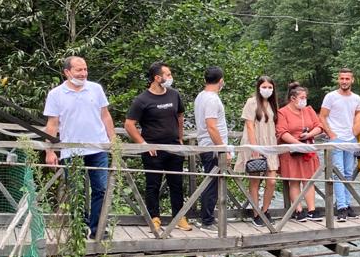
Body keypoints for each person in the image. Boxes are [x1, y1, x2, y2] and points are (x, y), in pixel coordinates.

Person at [43, 56, 115, 238]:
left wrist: (113, 139)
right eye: (79, 70)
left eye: (85, 70)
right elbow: (52, 124)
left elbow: (105, 115)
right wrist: (50, 150)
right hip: (71, 148)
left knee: (101, 188)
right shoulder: (56, 94)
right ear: (67, 72)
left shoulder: (95, 89)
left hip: (97, 147)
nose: (83, 74)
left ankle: (97, 228)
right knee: (75, 190)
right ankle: (79, 226)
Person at [124, 61, 191, 233]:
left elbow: (180, 116)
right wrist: (143, 144)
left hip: (174, 148)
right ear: (157, 78)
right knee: (152, 185)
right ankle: (154, 218)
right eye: (167, 75)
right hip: (152, 149)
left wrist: (180, 138)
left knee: (176, 184)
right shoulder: (142, 99)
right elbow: (129, 125)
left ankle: (179, 217)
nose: (170, 78)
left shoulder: (174, 95)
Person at [235, 76, 280, 227]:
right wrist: (255, 148)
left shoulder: (273, 104)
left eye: (270, 87)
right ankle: (256, 214)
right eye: (264, 87)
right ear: (259, 87)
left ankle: (265, 210)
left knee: (272, 181)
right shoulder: (251, 102)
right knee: (254, 181)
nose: (267, 90)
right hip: (255, 142)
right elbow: (249, 125)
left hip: (270, 144)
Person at [276, 83, 323, 222]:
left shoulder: (308, 110)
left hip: (307, 149)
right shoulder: (282, 112)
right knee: (294, 181)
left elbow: (319, 126)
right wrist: (297, 144)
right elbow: (282, 132)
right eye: (302, 97)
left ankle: (312, 210)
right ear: (293, 98)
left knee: (309, 181)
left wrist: (308, 136)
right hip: (291, 151)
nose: (304, 100)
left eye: (305, 97)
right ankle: (298, 210)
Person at [320, 68, 360, 221]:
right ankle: (341, 207)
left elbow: (358, 115)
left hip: (351, 139)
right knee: (338, 174)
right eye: (342, 78)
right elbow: (322, 116)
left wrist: (355, 131)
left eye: (347, 78)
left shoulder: (357, 98)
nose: (344, 81)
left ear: (352, 80)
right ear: (338, 80)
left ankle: (347, 204)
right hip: (336, 139)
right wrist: (332, 134)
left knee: (349, 174)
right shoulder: (331, 96)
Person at [194, 66, 229, 228]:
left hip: (206, 145)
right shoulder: (212, 99)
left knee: (211, 181)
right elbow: (211, 126)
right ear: (220, 81)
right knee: (211, 183)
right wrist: (223, 148)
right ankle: (207, 220)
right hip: (212, 147)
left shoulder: (201, 96)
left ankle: (207, 217)